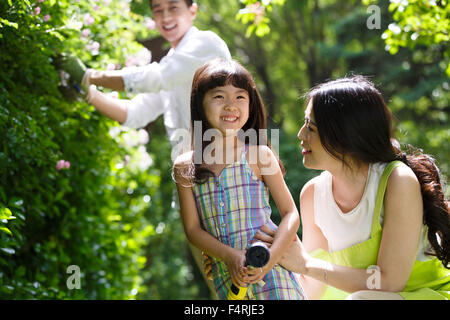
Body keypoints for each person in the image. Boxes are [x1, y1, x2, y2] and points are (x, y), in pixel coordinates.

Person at [251, 75, 450, 300]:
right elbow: (312, 289)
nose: (300, 135)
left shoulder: (397, 180)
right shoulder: (312, 194)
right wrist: (260, 270)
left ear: (344, 135)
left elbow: (389, 282)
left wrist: (306, 264)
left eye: (310, 127)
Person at [172, 58, 306, 300]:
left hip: (273, 273)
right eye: (219, 96)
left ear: (251, 104)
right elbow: (192, 230)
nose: (230, 105)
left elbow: (291, 214)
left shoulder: (258, 154)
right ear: (200, 104)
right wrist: (228, 256)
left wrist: (272, 257)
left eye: (240, 97)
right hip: (228, 278)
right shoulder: (185, 166)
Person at [61, 0, 231, 161]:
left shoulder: (205, 43)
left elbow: (157, 77)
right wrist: (90, 94)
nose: (165, 17)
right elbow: (136, 112)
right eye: (158, 10)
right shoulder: (173, 61)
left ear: (192, 11)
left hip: (224, 165)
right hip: (190, 172)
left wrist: (89, 76)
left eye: (173, 8)